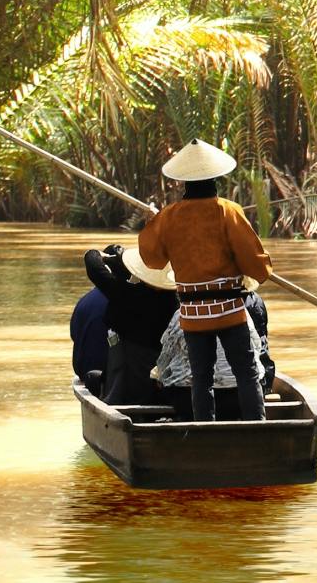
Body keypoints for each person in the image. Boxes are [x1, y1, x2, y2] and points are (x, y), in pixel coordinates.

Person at [137, 139, 272, 421]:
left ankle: (204, 431)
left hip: (192, 314)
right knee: (246, 373)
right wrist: (261, 271)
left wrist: (154, 221)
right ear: (215, 178)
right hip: (228, 311)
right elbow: (257, 266)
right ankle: (257, 429)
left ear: (184, 182)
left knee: (201, 378)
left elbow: (153, 259)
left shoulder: (169, 217)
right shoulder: (227, 211)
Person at [83, 242, 178, 405]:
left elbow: (95, 268)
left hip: (131, 379)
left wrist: (98, 254)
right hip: (162, 381)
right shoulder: (174, 299)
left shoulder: (129, 295)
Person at [152, 290, 274, 418]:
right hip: (238, 397)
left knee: (167, 381)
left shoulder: (183, 314)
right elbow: (257, 350)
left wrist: (159, 376)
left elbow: (165, 356)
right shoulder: (240, 312)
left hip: (188, 397)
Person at [70, 280, 107, 388]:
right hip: (108, 373)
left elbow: (74, 335)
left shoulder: (84, 301)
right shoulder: (123, 299)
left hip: (84, 369)